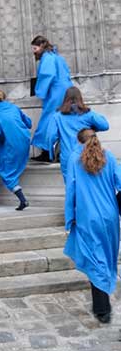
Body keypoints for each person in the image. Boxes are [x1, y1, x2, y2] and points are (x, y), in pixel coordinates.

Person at [64, 129, 121, 323]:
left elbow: (71, 190)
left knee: (95, 259)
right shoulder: (109, 156)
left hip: (87, 217)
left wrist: (69, 218)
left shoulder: (75, 159)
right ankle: (102, 304)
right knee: (107, 256)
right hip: (110, 215)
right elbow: (120, 183)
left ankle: (102, 309)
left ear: (78, 141)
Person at [46, 86, 109, 181]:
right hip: (87, 154)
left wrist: (52, 155)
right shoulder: (87, 114)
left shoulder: (57, 117)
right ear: (80, 98)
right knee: (87, 185)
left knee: (71, 186)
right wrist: (92, 128)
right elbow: (105, 125)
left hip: (68, 156)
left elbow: (50, 137)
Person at [0, 89, 31, 210]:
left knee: (6, 173)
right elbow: (28, 122)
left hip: (12, 145)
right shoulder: (14, 108)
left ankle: (23, 199)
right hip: (25, 140)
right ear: (5, 98)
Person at [30, 35, 73, 162]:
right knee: (62, 121)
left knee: (48, 121)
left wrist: (39, 91)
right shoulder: (57, 57)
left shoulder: (47, 58)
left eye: (35, 48)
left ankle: (47, 151)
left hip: (56, 93)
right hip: (66, 92)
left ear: (41, 47)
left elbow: (46, 75)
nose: (34, 51)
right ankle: (59, 152)